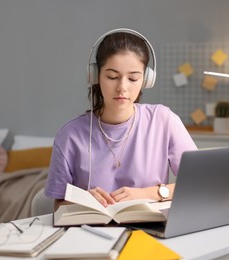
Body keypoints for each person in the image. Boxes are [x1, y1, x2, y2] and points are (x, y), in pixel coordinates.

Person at [44, 28, 197, 210]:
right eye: (112, 77)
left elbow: (199, 183)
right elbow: (58, 205)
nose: (122, 87)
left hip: (150, 232)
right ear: (95, 76)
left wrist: (147, 193)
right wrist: (83, 201)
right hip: (93, 234)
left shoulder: (163, 120)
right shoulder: (69, 136)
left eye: (133, 78)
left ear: (146, 80)